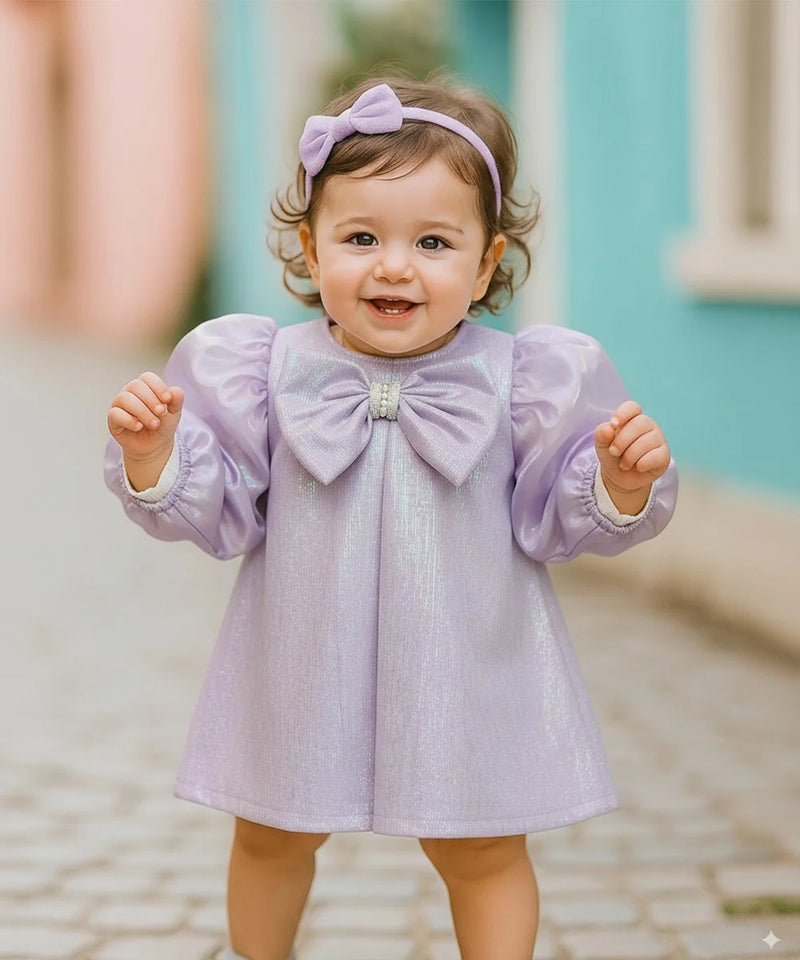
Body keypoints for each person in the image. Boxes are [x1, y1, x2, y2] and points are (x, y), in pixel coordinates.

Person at [104, 72, 678, 960]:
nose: (395, 264)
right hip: (301, 651)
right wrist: (155, 458)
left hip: (466, 658)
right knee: (270, 830)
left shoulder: (523, 382)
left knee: (481, 844)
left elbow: (556, 519)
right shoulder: (260, 371)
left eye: (435, 241)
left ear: (487, 262)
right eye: (361, 236)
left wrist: (617, 481)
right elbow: (222, 510)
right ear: (309, 246)